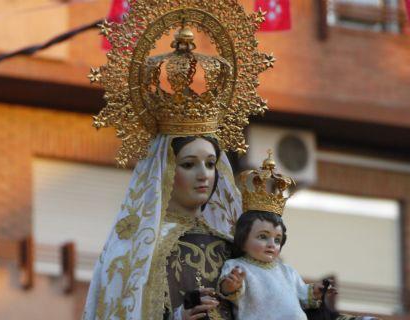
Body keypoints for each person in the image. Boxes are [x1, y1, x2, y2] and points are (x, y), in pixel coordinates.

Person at [81, 1, 274, 318]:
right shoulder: (131, 252)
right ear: (165, 171)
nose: (204, 175)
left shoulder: (235, 248)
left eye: (210, 164)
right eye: (188, 164)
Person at [218, 152, 379, 320]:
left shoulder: (287, 271)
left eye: (277, 239)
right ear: (243, 239)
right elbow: (229, 292)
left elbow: (302, 295)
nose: (271, 244)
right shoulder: (238, 267)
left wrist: (314, 292)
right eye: (263, 237)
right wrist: (232, 285)